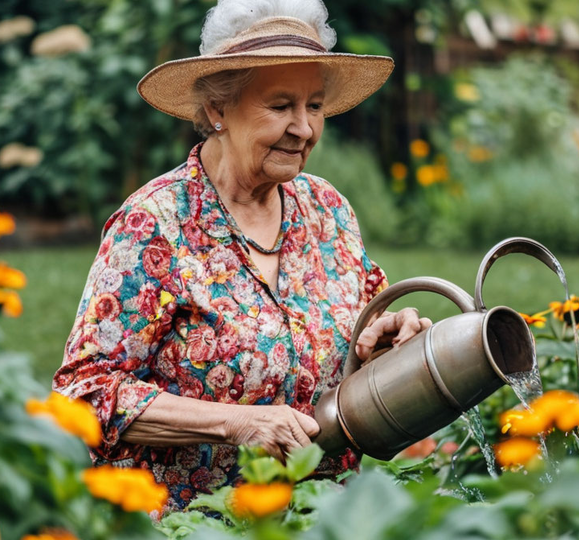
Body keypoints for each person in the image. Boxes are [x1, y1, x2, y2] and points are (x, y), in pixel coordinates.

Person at [53, 0, 431, 512]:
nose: (304, 129)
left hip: (323, 518)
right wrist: (238, 423)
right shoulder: (155, 223)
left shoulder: (329, 210)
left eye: (314, 106)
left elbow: (357, 341)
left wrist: (381, 346)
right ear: (217, 110)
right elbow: (84, 394)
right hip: (193, 524)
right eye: (280, 106)